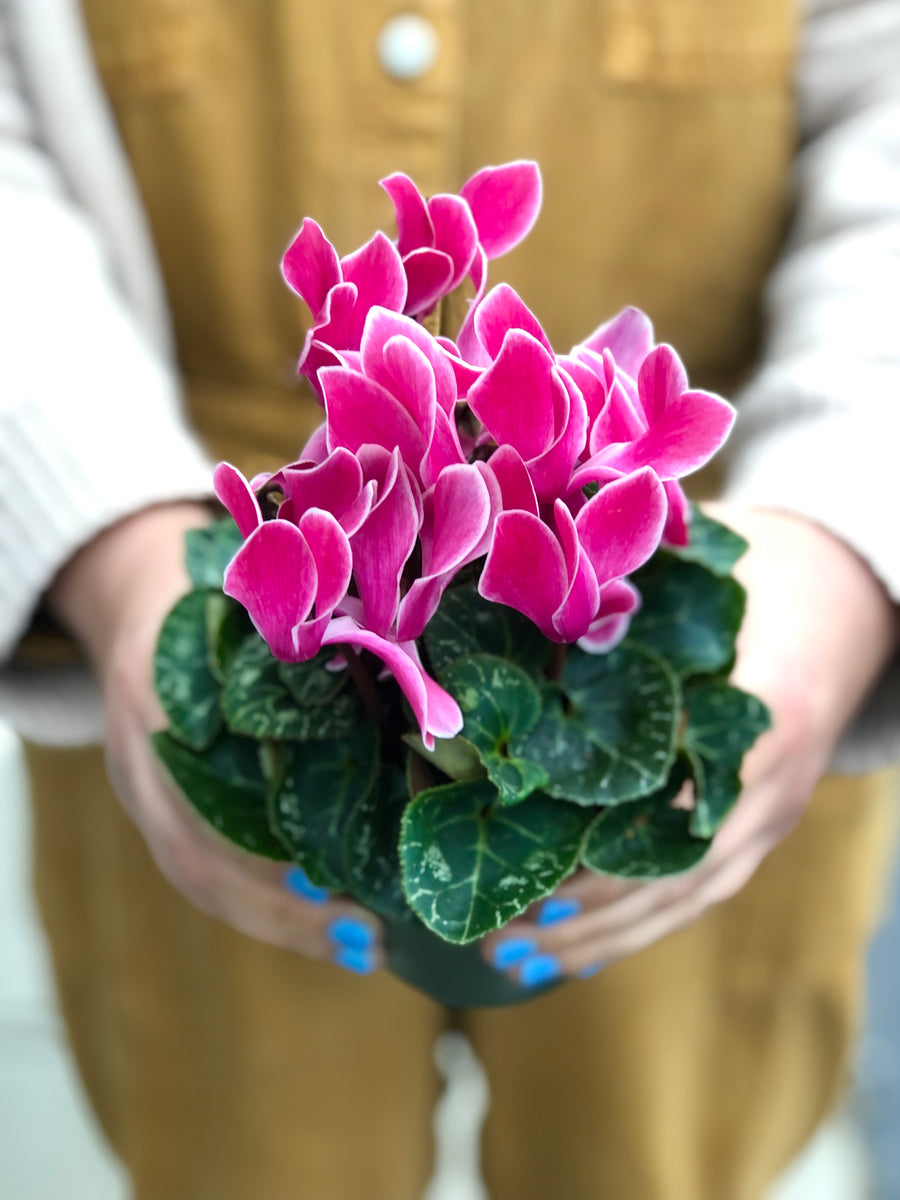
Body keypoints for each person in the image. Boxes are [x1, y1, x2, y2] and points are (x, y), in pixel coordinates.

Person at [2, 0, 899, 1197]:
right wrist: (105, 550)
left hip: (763, 587)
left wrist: (848, 540)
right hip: (164, 559)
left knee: (663, 1158)